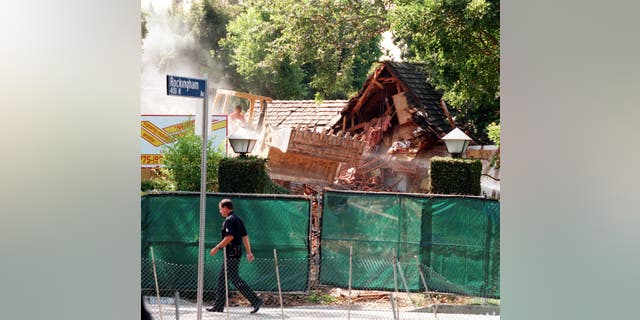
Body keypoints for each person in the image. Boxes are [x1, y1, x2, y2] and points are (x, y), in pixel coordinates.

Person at [207, 198, 263, 313]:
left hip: (231, 254)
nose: (219, 211)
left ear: (225, 208)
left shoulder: (230, 220)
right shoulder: (237, 219)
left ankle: (255, 300)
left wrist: (217, 248)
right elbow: (245, 237)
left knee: (226, 279)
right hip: (236, 253)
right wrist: (248, 252)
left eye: (220, 208)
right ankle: (219, 306)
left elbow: (229, 237)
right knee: (229, 279)